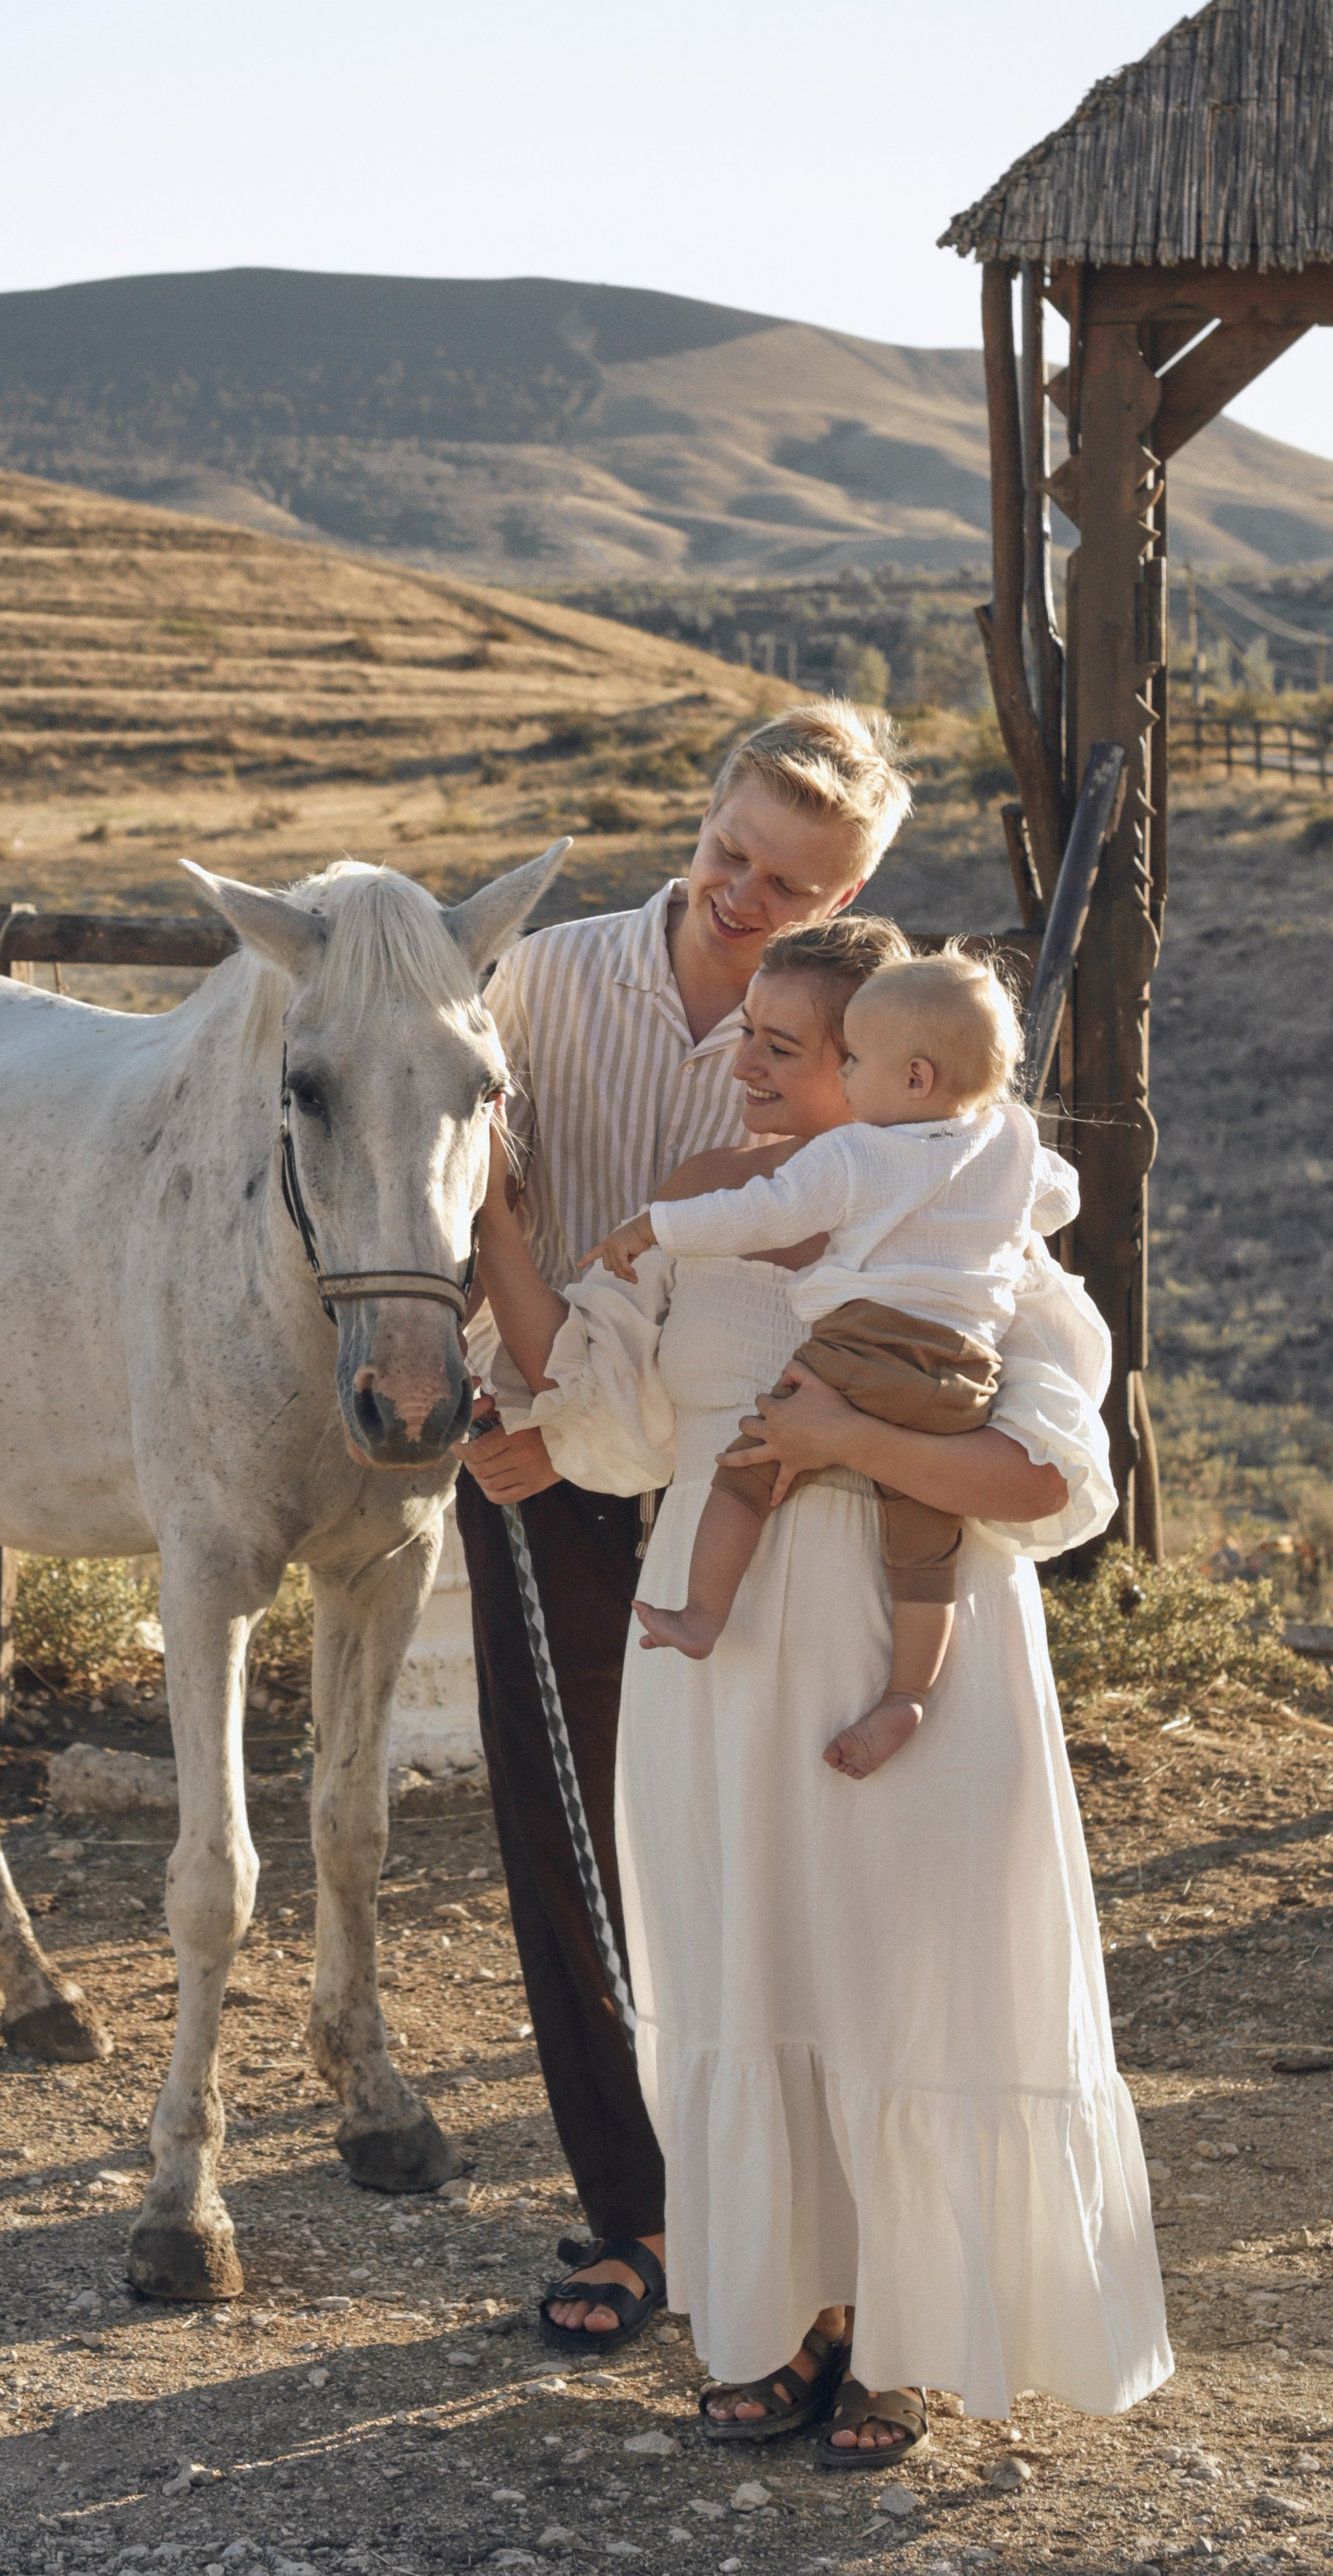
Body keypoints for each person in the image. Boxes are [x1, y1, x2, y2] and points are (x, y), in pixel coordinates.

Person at [474, 917, 1171, 2466]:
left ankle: (901, 2335)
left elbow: (1054, 1480)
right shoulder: (709, 1218)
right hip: (718, 1666)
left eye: (790, 1049)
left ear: (889, 1077)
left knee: (899, 1982)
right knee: (748, 1980)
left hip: (913, 1648)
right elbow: (605, 1432)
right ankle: (782, 2313)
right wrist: (504, 1236)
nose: (750, 1069)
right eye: (755, 1040)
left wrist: (854, 1446)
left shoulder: (989, 1255)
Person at [457, 704, 911, 2349]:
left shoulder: (876, 1017)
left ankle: (810, 2224)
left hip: (786, 1479)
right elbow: (454, 1193)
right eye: (733, 856)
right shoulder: (542, 978)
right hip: (546, 1447)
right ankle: (633, 2213)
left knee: (770, 1856)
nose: (747, 900)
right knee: (573, 1843)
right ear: (701, 821)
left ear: (852, 891)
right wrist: (491, 1412)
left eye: (795, 887)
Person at [598, 950, 1080, 1779]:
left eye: (835, 1056)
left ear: (913, 1076)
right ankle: (907, 1693)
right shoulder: (1009, 1139)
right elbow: (1058, 1195)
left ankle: (703, 1612)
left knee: (752, 1466)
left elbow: (758, 1213)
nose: (746, 1062)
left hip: (861, 1350)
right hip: (955, 1372)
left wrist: (656, 1228)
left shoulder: (851, 1159)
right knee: (924, 1548)